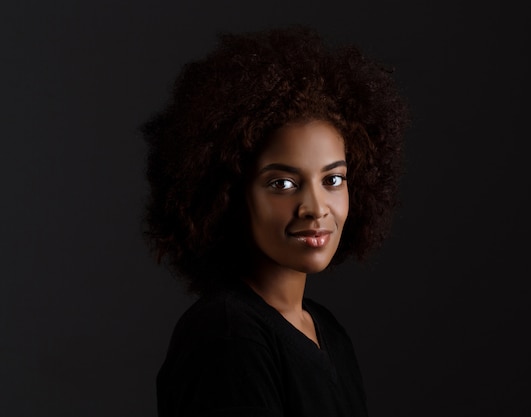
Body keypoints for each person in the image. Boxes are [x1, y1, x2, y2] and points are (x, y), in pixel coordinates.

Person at [140, 25, 410, 417]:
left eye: (332, 180)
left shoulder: (327, 332)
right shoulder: (227, 335)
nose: (315, 207)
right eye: (283, 183)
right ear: (230, 195)